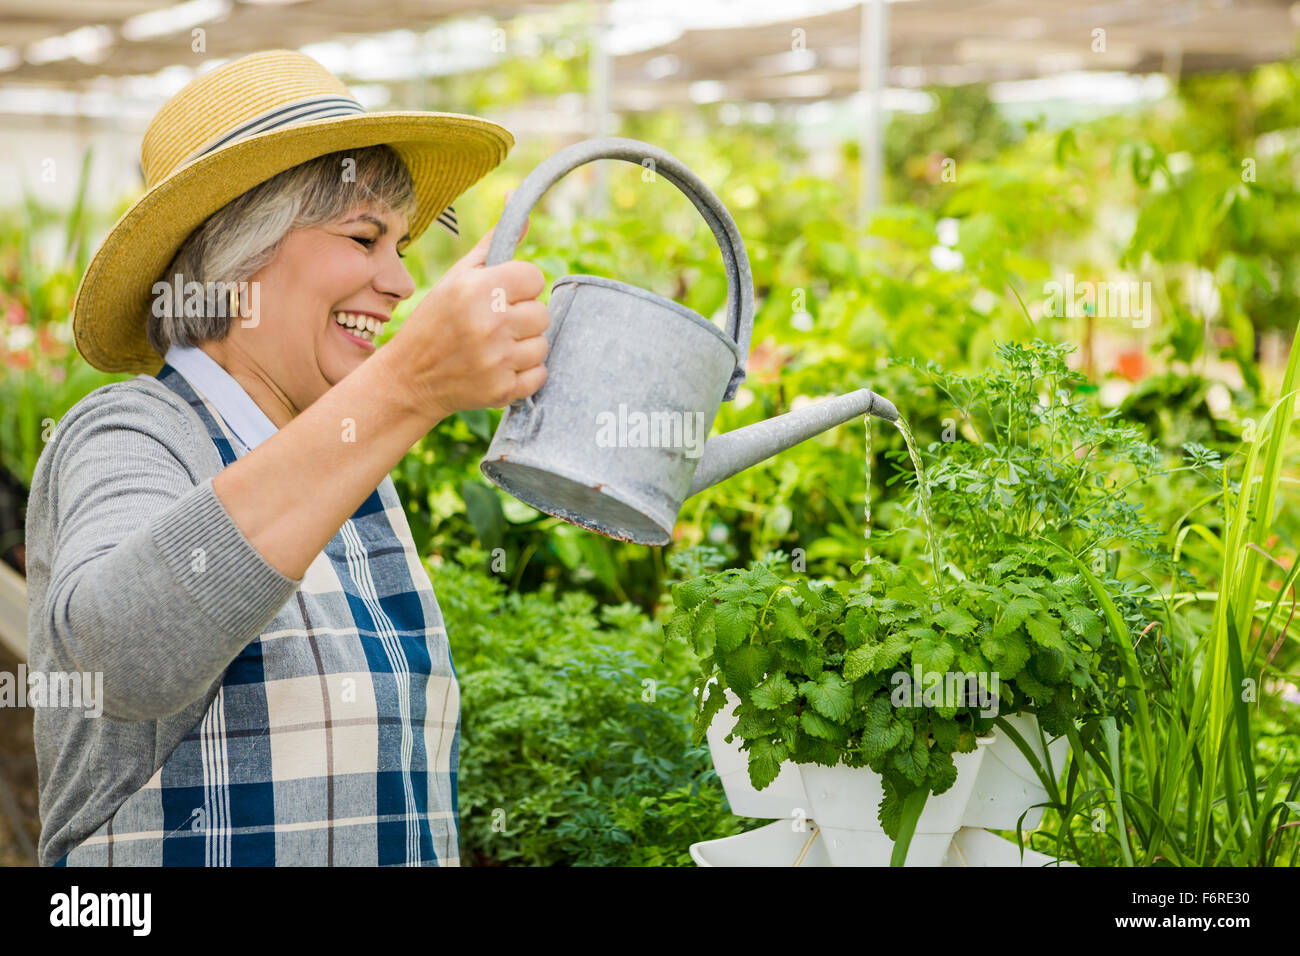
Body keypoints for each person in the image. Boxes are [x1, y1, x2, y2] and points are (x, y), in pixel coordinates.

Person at [24, 48, 549, 866]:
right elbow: (121, 655)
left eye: (403, 244)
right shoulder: (131, 431)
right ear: (238, 252)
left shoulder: (352, 472)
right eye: (365, 236)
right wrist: (408, 386)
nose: (401, 283)